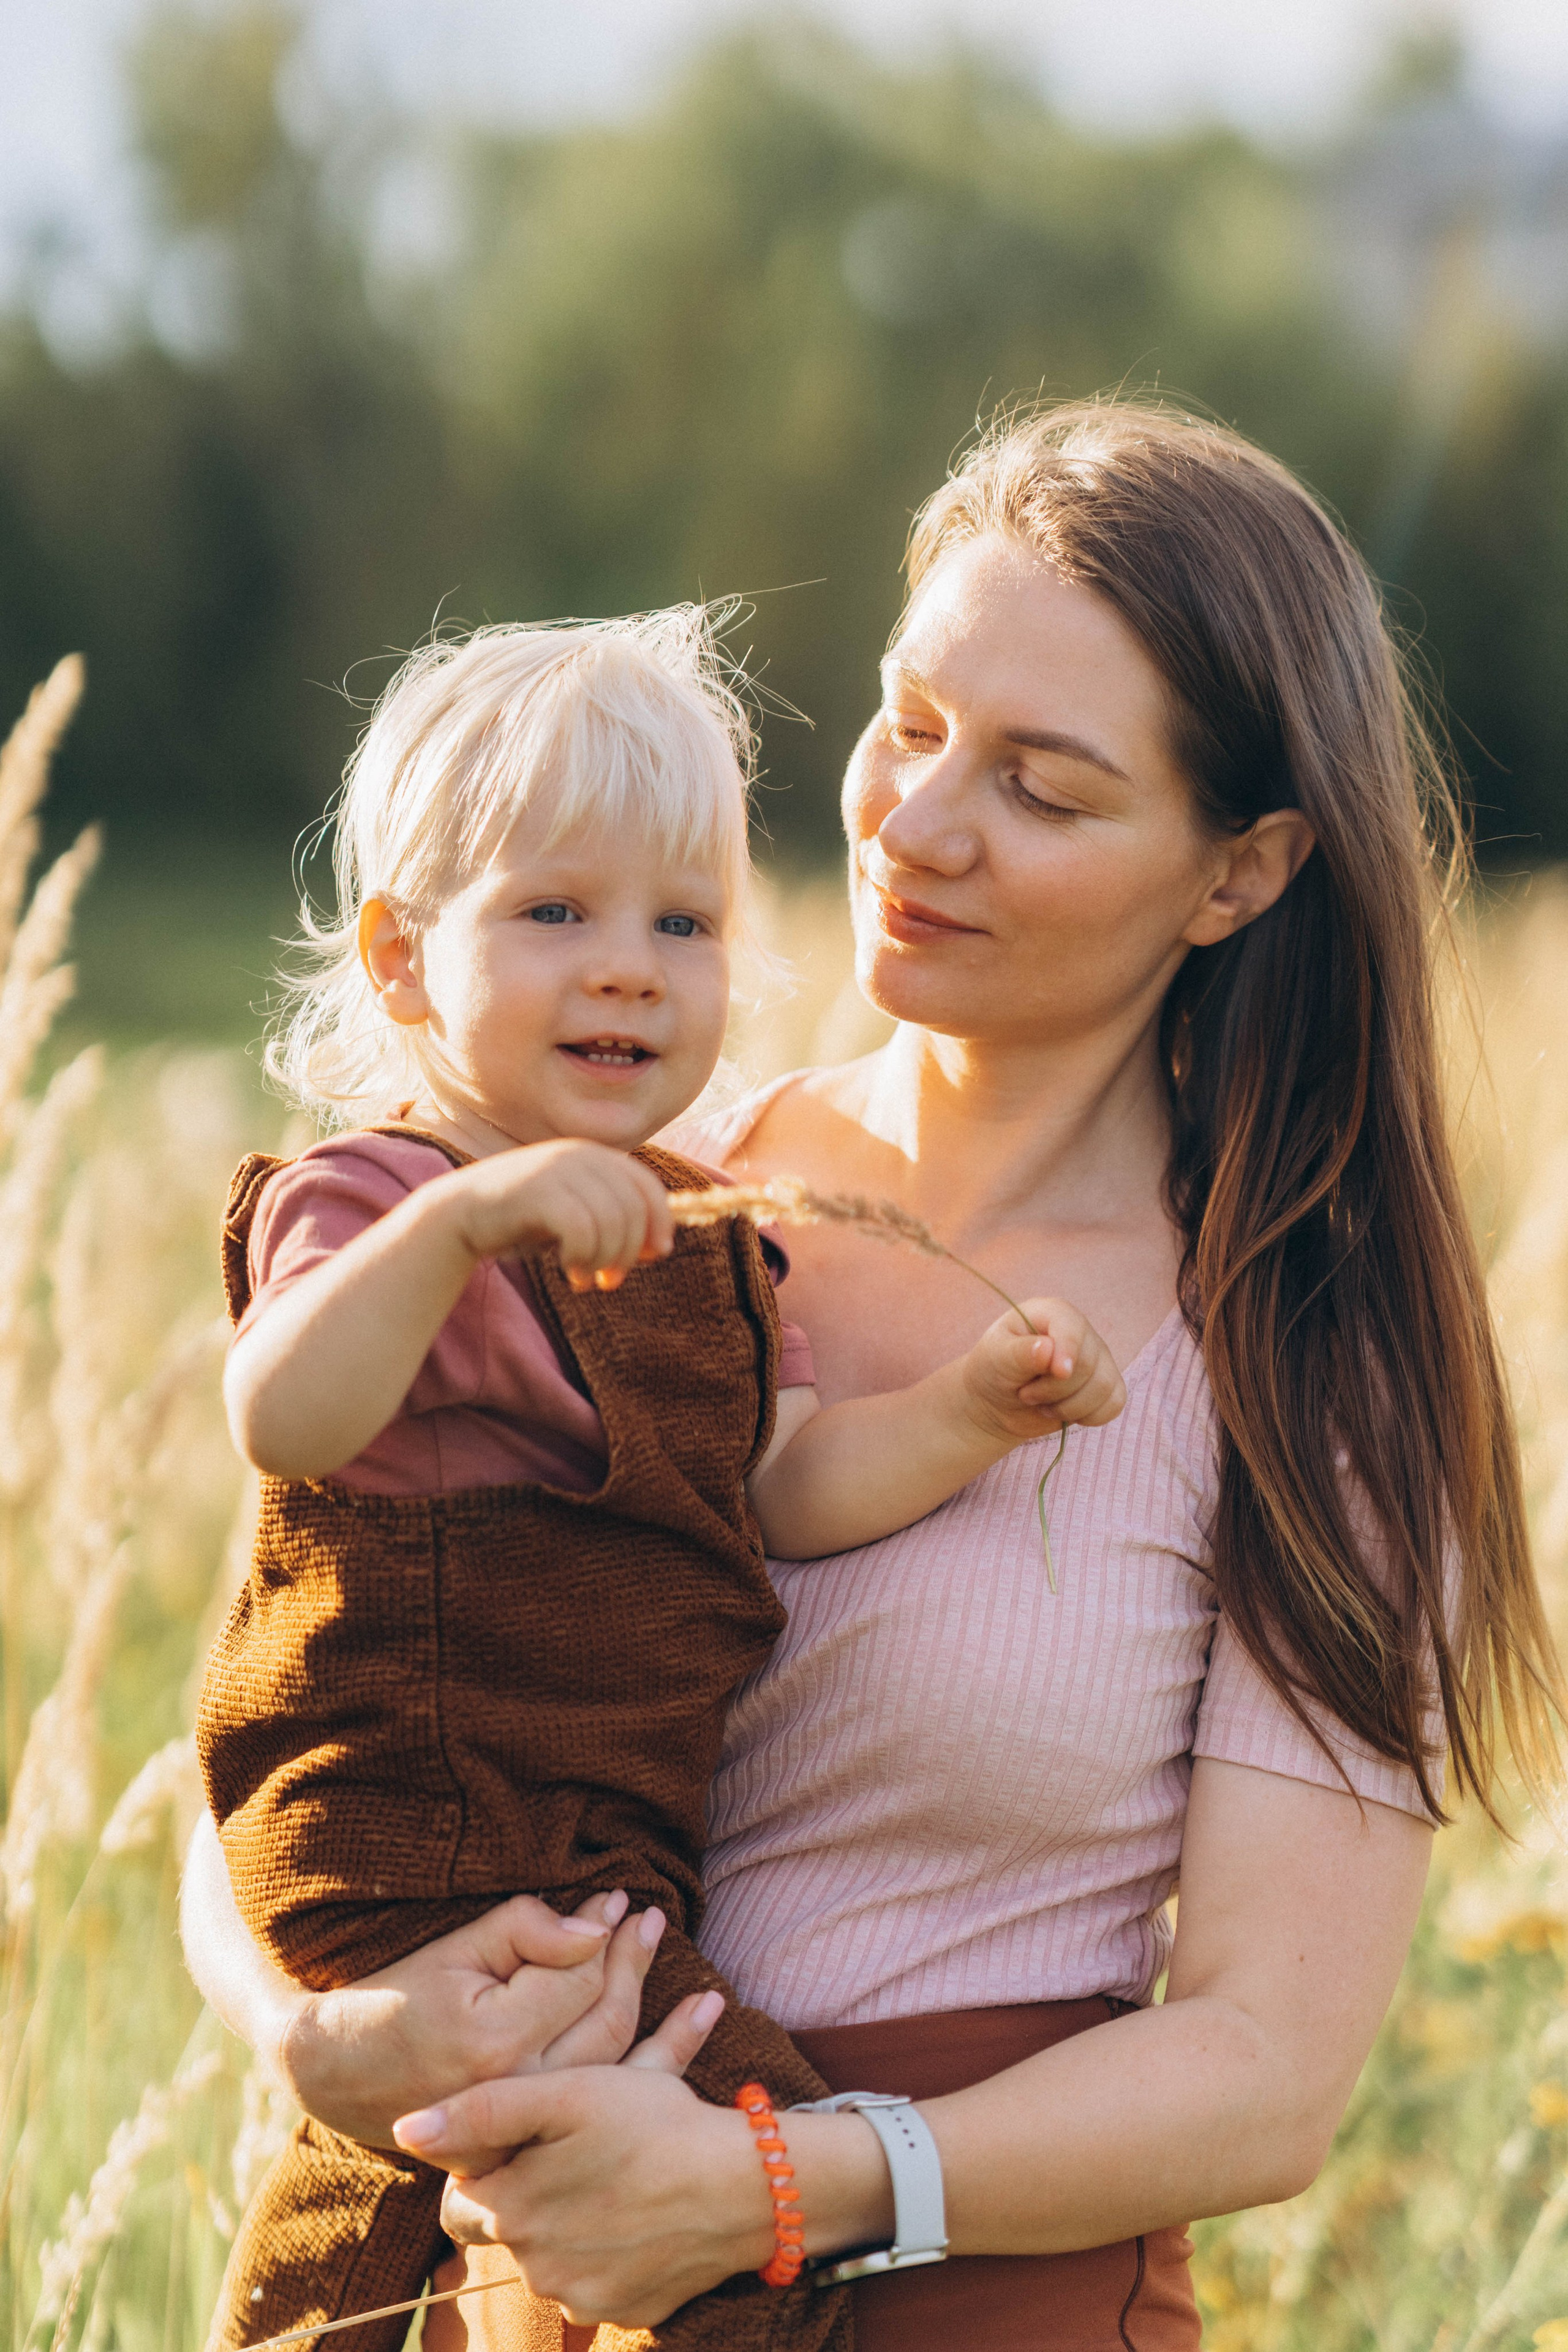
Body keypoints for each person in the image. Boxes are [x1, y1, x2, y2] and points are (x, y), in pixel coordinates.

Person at [183, 401, 1561, 2352]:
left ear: (1239, 875)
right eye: (911, 725)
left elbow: (1268, 2070)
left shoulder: (1304, 1367)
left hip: (963, 2297)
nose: (914, 826)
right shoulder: (610, 1199)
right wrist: (328, 2036)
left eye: (1046, 789)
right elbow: (275, 1702)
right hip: (521, 2276)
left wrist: (769, 2190)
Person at [196, 608, 1123, 2352]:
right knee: (510, 2210)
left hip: (604, 1880)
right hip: (415, 1848)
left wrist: (973, 1413)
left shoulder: (708, 1242)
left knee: (670, 2206)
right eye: (555, 912)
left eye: (681, 924)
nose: (628, 966)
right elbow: (286, 1414)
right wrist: (459, 1224)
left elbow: (775, 1492)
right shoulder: (378, 1199)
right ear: (403, 960)